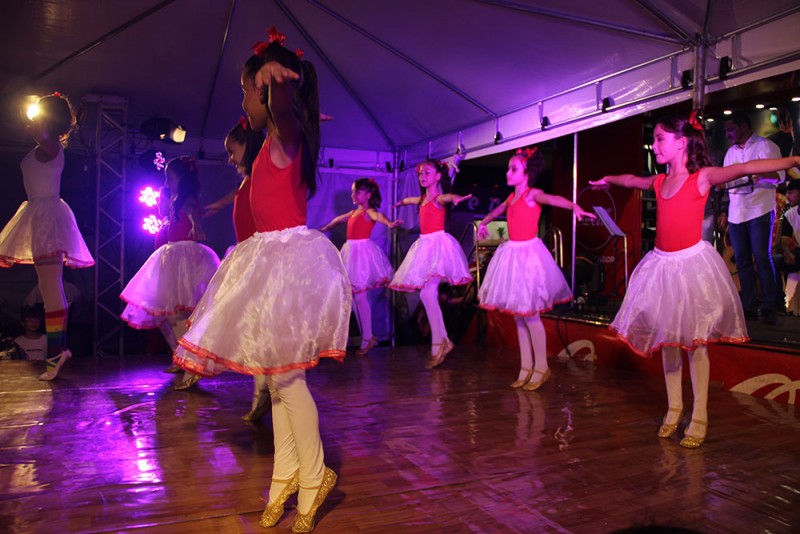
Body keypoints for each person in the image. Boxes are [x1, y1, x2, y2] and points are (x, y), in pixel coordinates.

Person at [171, 28, 348, 532]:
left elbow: (288, 117)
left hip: (289, 267)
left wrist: (280, 87)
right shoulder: (269, 143)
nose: (244, 99)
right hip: (264, 267)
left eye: (248, 90)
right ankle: (287, 473)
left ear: (269, 92)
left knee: (289, 383)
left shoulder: (284, 135)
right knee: (276, 383)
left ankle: (313, 476)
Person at [589, 112, 800, 449]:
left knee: (695, 345)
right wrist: (608, 180)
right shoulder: (658, 182)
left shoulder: (701, 178)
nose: (654, 145)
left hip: (691, 268)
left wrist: (793, 159)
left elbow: (745, 169)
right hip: (661, 267)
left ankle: (699, 415)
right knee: (669, 343)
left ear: (681, 142)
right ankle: (674, 409)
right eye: (654, 139)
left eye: (659, 139)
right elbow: (631, 179)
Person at [477, 147, 595, 391]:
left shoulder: (533, 194)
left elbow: (554, 200)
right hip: (512, 255)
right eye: (509, 169)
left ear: (527, 172)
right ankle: (525, 367)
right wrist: (485, 223)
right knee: (519, 317)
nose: (508, 173)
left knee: (530, 316)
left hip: (529, 257)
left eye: (513, 169)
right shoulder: (511, 198)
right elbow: (498, 211)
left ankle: (541, 368)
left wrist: (574, 207)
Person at [0, 92, 94, 380]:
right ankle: (59, 350)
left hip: (48, 219)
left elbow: (43, 131)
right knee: (49, 287)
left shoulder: (51, 145)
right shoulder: (43, 145)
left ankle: (55, 354)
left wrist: (41, 118)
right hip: (38, 216)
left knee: (52, 289)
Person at [120, 156, 220, 374]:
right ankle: (180, 355)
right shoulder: (174, 198)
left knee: (177, 315)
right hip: (171, 258)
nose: (166, 182)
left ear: (182, 178)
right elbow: (165, 214)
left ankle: (191, 359)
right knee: (165, 315)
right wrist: (165, 200)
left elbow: (193, 210)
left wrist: (197, 224)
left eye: (170, 177)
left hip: (183, 258)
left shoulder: (188, 198)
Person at [389, 159, 473, 368]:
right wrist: (401, 202)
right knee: (427, 294)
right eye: (420, 174)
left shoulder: (437, 198)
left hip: (437, 246)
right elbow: (412, 199)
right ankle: (441, 343)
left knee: (427, 294)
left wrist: (457, 198)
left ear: (437, 176)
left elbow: (447, 197)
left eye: (427, 172)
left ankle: (442, 342)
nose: (422, 176)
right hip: (425, 245)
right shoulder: (422, 199)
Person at [321, 178, 400, 355]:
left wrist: (389, 223)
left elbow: (378, 217)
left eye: (357, 191)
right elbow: (338, 220)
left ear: (368, 194)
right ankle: (367, 336)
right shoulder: (353, 212)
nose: (353, 195)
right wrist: (325, 227)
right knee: (355, 298)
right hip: (350, 252)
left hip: (362, 255)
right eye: (353, 191)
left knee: (361, 297)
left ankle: (367, 338)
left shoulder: (369, 211)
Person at [720, 112, 785, 324]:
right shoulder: (730, 152)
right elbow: (725, 181)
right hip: (736, 213)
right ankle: (748, 307)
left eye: (731, 129)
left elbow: (781, 175)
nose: (728, 134)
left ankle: (769, 306)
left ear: (745, 127)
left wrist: (763, 175)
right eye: (726, 130)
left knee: (762, 257)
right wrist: (723, 209)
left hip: (759, 209)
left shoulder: (765, 146)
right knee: (742, 261)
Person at [775, 179, 800, 314]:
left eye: (791, 193)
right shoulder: (790, 214)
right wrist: (786, 252)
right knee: (774, 261)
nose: (788, 197)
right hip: (798, 253)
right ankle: (779, 304)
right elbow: (785, 239)